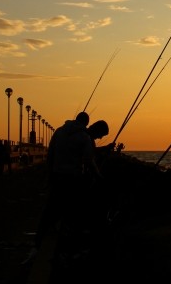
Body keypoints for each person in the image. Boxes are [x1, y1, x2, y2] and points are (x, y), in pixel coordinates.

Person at [30, 111, 105, 259]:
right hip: (73, 179)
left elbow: (50, 154)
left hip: (57, 176)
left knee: (50, 210)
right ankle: (73, 248)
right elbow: (89, 160)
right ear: (86, 123)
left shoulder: (59, 132)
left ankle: (37, 241)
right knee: (74, 213)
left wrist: (49, 175)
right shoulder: (83, 137)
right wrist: (98, 176)